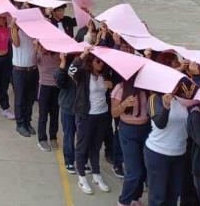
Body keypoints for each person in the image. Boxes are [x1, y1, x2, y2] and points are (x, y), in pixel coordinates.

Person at [69, 46, 112, 195]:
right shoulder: (83, 75)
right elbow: (71, 71)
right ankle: (81, 176)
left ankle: (96, 174)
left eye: (102, 62)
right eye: (98, 61)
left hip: (102, 115)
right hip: (86, 116)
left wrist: (110, 86)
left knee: (96, 146)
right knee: (82, 146)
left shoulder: (105, 75)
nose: (101, 64)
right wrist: (82, 55)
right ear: (91, 62)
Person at [144, 92, 189, 206]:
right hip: (158, 153)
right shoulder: (154, 98)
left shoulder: (185, 99)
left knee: (173, 195)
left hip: (179, 153)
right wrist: (166, 107)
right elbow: (160, 123)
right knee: (158, 197)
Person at [111, 78, 150, 206]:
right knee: (134, 171)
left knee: (143, 168)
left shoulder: (147, 88)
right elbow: (114, 113)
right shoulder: (121, 88)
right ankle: (124, 200)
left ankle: (135, 197)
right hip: (128, 131)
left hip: (146, 130)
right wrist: (124, 104)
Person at [10, 18, 38, 138]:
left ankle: (27, 121)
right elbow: (16, 43)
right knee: (20, 98)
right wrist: (14, 27)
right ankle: (20, 124)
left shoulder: (34, 34)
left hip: (32, 69)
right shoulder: (16, 31)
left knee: (30, 98)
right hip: (19, 70)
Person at [35, 41, 60, 151]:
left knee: (55, 114)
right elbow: (33, 61)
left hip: (56, 87)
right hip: (44, 87)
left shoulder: (57, 56)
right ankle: (42, 139)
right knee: (43, 114)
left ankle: (53, 137)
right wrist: (36, 49)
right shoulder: (39, 55)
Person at [56, 53, 77, 173]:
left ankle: (82, 160)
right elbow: (59, 82)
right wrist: (63, 63)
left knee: (82, 136)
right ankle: (69, 160)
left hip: (81, 108)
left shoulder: (84, 68)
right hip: (68, 107)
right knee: (69, 135)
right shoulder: (66, 68)